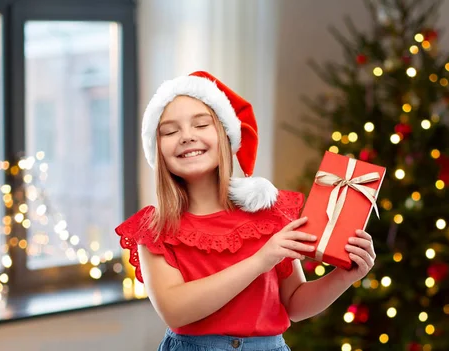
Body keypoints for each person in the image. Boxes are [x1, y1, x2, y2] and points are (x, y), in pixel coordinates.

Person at [115, 71, 376, 351]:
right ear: (158, 149)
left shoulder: (269, 213)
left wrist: (344, 276)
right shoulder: (155, 229)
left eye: (201, 125)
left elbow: (295, 305)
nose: (187, 137)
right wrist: (261, 260)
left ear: (226, 135)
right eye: (170, 131)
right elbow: (176, 310)